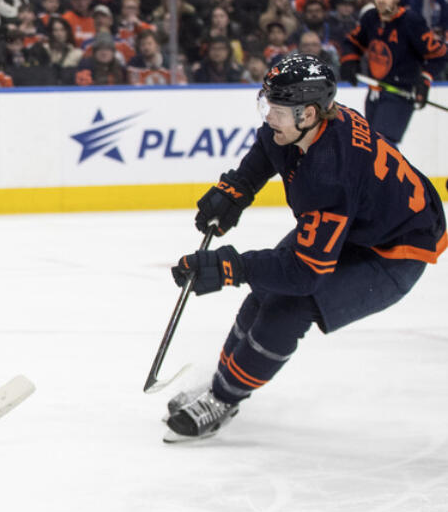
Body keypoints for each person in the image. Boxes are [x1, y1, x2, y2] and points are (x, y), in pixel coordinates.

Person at [164, 53, 445, 442]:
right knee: (267, 290)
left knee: (290, 305)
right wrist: (238, 188)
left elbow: (303, 273)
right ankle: (221, 381)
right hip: (360, 224)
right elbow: (267, 147)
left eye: (276, 109)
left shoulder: (329, 173)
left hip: (395, 250)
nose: (268, 116)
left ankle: (223, 398)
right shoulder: (305, 126)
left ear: (309, 114)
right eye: (266, 103)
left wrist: (229, 267)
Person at [340, 0, 447, 145]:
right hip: (375, 93)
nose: (381, 0)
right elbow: (352, 42)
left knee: (382, 145)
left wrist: (424, 79)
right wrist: (349, 61)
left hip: (400, 94)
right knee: (369, 145)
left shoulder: (411, 22)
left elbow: (439, 55)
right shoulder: (370, 18)